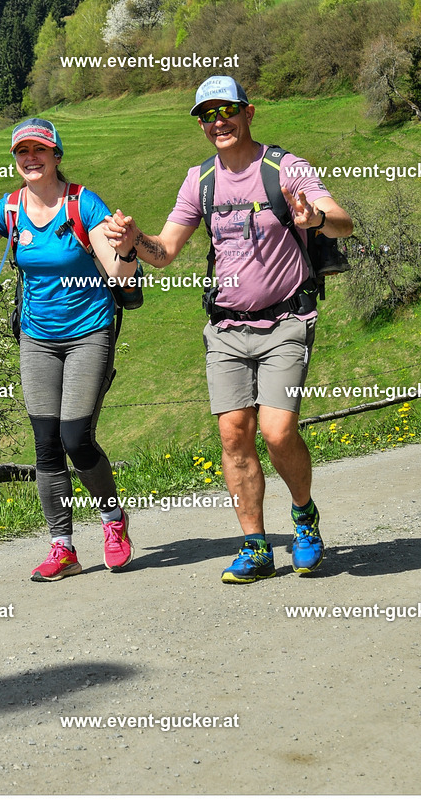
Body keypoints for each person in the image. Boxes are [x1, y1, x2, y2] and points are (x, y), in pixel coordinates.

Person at [106, 76, 353, 584]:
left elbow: (344, 222)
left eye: (226, 111)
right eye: (207, 115)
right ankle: (255, 545)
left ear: (248, 112)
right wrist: (135, 239)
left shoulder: (285, 167)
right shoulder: (200, 180)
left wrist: (315, 217)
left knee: (277, 429)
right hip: (225, 327)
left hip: (286, 318)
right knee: (232, 433)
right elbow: (166, 252)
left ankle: (304, 518)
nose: (218, 122)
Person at [0, 118, 137, 581]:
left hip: (89, 331)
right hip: (37, 338)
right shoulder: (11, 208)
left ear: (56, 155)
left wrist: (128, 247)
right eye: (22, 152)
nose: (30, 159)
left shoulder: (82, 202)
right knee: (45, 444)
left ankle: (113, 522)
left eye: (39, 150)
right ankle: (63, 549)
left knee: (76, 438)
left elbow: (118, 276)